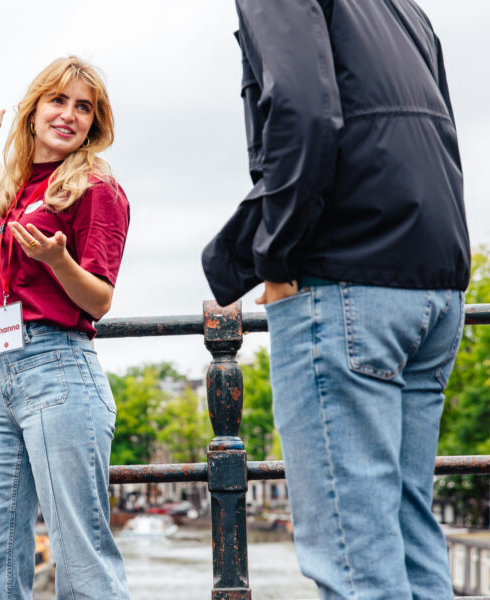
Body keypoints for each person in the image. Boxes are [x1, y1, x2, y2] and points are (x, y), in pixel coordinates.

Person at [203, 1, 469, 598]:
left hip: (344, 279)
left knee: (354, 561)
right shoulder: (406, 9)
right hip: (434, 277)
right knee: (409, 535)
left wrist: (275, 253)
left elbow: (301, 110)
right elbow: (443, 126)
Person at [0, 56, 130, 599]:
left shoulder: (96, 188)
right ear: (33, 111)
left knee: (81, 561)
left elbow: (99, 300)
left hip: (58, 368)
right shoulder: (22, 189)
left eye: (84, 107)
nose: (69, 114)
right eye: (58, 100)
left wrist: (60, 262)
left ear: (94, 123)